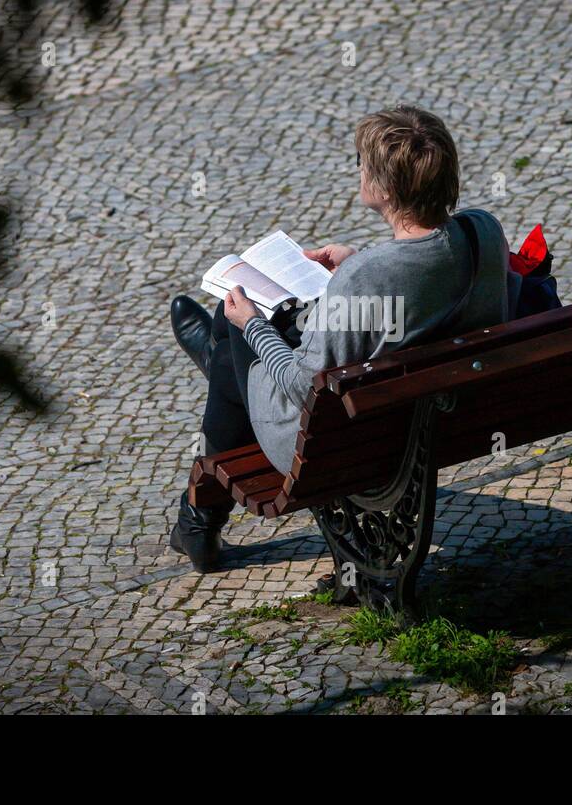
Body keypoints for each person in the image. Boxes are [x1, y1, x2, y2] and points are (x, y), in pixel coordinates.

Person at [167, 105, 513, 571]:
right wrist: (357, 262)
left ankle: (200, 514)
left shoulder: (365, 277)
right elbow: (429, 287)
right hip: (452, 413)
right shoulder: (482, 231)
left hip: (329, 440)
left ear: (387, 188)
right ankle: (197, 516)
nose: (358, 170)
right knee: (244, 337)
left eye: (361, 163)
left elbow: (299, 385)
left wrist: (252, 324)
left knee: (230, 329)